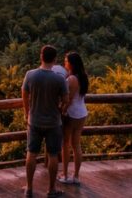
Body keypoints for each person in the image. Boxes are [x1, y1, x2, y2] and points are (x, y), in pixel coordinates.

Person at [23, 45, 70, 198]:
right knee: (53, 155)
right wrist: (61, 109)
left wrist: (26, 112)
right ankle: (51, 189)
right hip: (53, 122)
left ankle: (29, 188)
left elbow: (24, 93)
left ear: (41, 57)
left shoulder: (30, 75)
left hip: (34, 120)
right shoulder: (59, 78)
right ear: (55, 59)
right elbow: (66, 100)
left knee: (31, 153)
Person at [58, 52, 88, 186]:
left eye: (66, 61)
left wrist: (62, 110)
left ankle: (64, 175)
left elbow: (68, 100)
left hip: (71, 114)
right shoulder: (83, 77)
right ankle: (76, 176)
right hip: (82, 112)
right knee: (76, 145)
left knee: (65, 144)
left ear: (71, 63)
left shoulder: (71, 79)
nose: (65, 63)